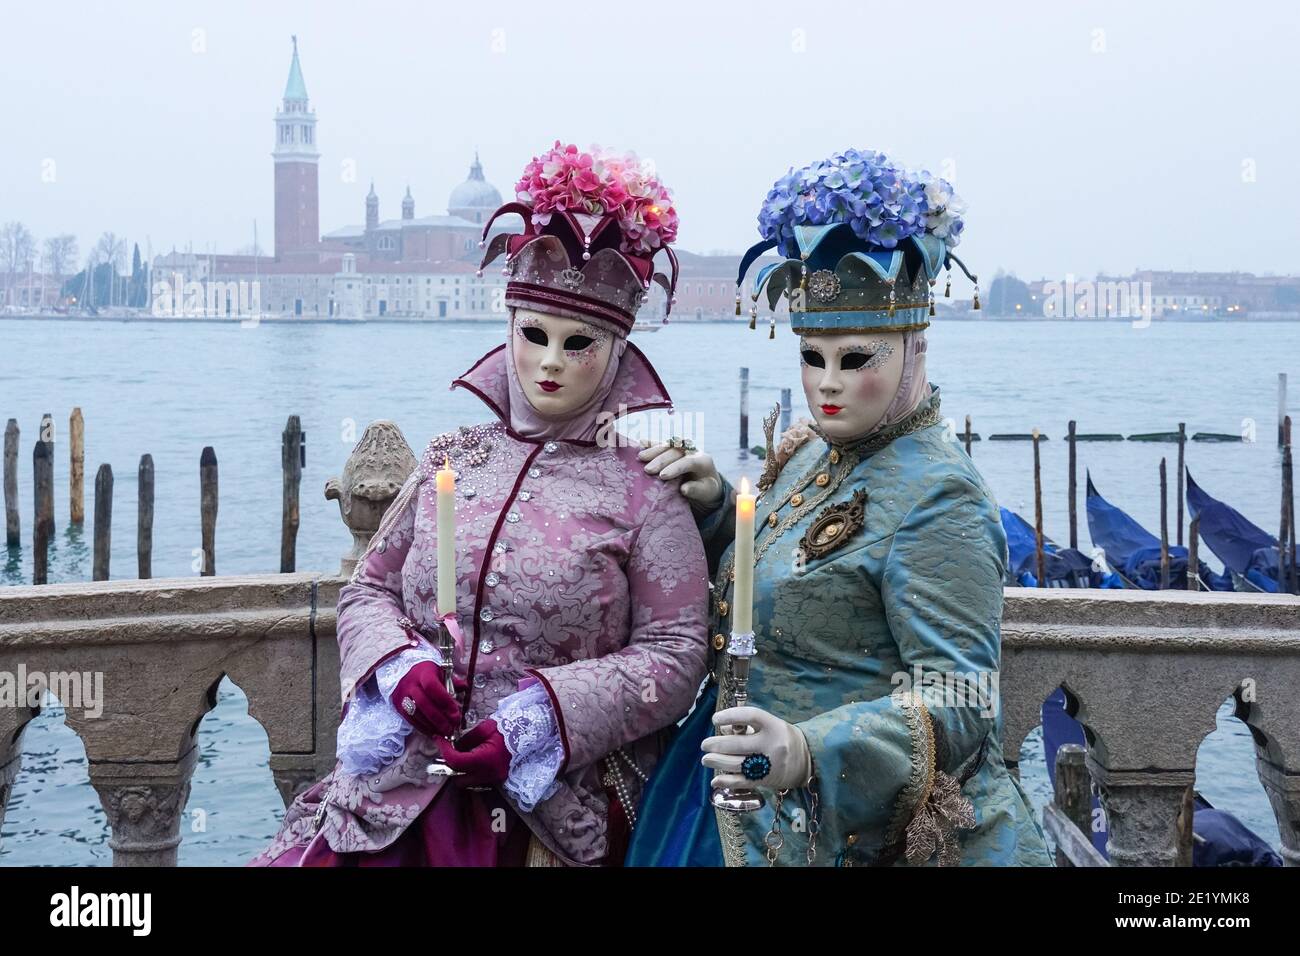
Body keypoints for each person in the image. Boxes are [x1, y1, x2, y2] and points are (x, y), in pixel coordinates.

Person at [251, 142, 709, 867]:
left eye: (577, 342)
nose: (550, 362)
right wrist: (397, 667)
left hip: (545, 810)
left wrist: (544, 717)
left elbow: (677, 652)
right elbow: (369, 586)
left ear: (618, 349)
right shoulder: (451, 457)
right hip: (395, 792)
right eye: (534, 335)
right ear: (509, 330)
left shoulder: (645, 492)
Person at [628, 148, 1053, 866]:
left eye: (856, 360)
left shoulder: (941, 497)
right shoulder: (807, 455)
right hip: (722, 793)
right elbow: (777, 576)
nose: (827, 385)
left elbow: (962, 700)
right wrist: (712, 514)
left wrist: (805, 750)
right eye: (811, 356)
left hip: (836, 824)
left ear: (913, 346)